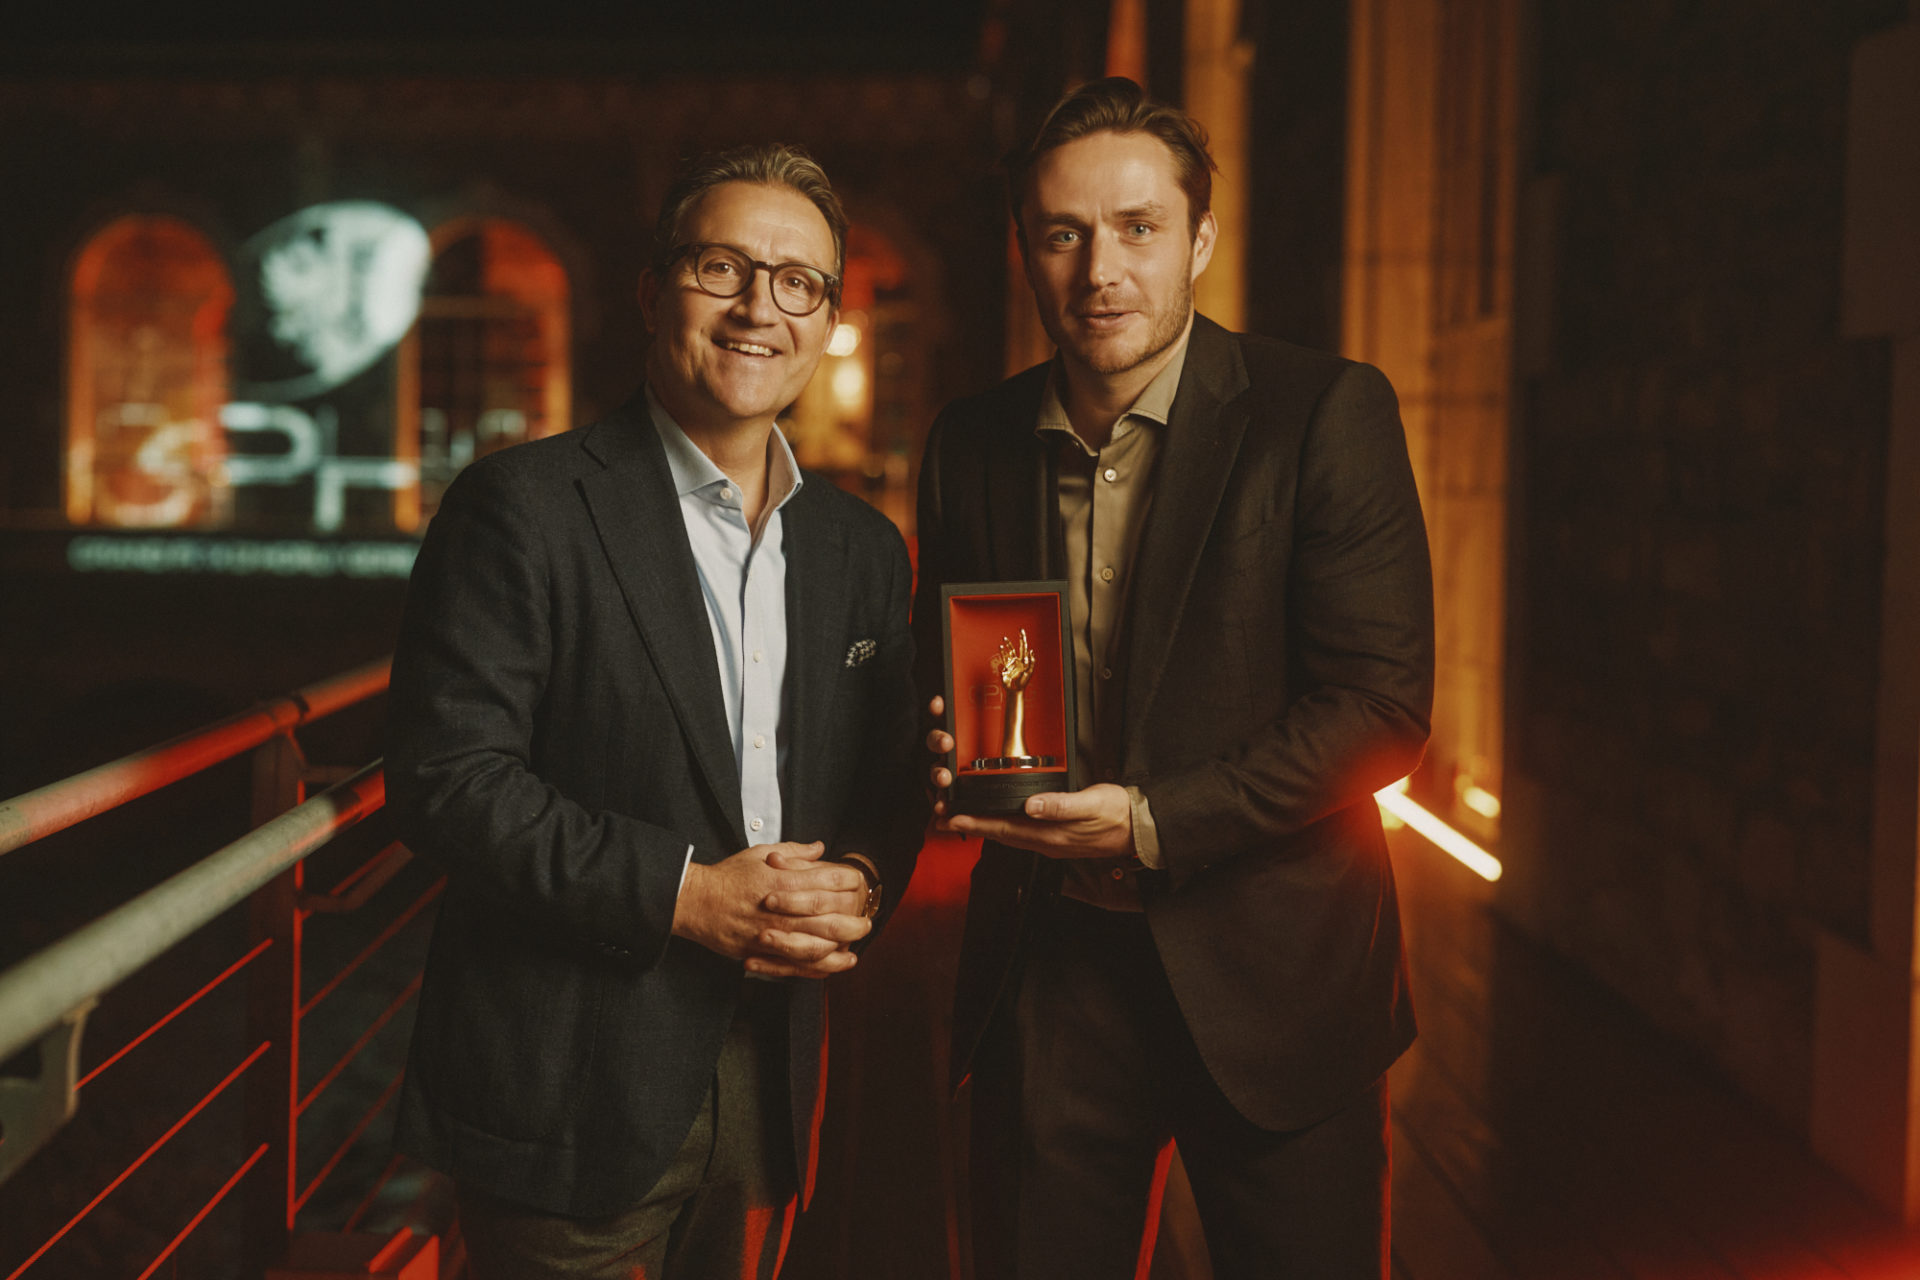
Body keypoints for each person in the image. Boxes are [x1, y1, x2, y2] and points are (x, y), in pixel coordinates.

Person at [915, 78, 1434, 1279]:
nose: (1100, 269)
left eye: (1138, 228)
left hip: (1282, 975)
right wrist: (940, 745)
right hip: (1052, 976)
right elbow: (962, 677)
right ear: (1026, 249)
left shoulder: (1324, 411)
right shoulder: (971, 442)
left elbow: (1379, 709)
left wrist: (1150, 820)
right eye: (1064, 233)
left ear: (1199, 239)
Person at [386, 142, 924, 1280]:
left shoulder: (863, 550)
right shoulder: (520, 507)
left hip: (771, 1076)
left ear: (829, 321)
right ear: (650, 292)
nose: (758, 309)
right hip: (567, 1085)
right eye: (721, 267)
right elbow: (447, 781)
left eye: (798, 283)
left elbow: (888, 777)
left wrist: (865, 882)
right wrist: (688, 897)